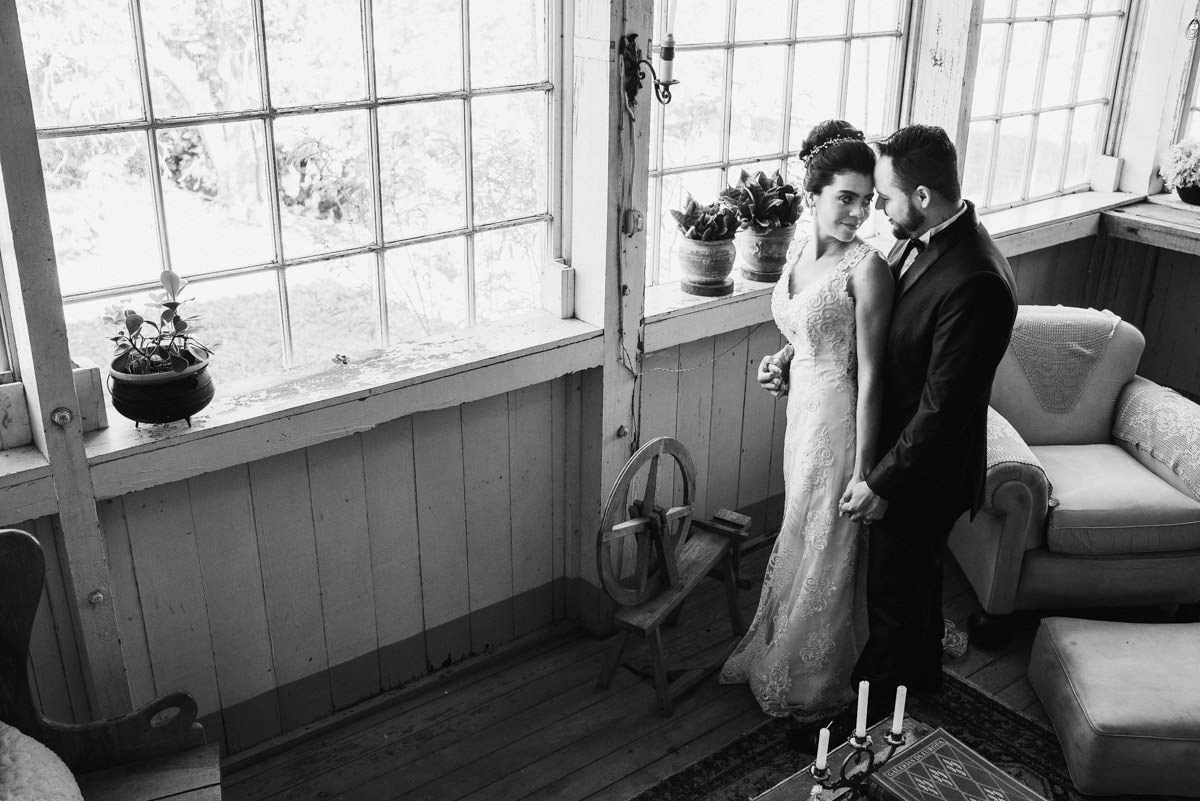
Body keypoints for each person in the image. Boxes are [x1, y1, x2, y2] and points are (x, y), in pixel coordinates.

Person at [839, 124, 1017, 719]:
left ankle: (863, 723)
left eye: (886, 197)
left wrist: (881, 481)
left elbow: (944, 410)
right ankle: (922, 680)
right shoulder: (920, 239)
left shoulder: (977, 279)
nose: (878, 211)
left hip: (924, 470)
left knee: (892, 594)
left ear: (922, 196)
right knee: (915, 584)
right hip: (908, 452)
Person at [720, 120, 894, 720]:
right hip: (801, 418)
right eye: (846, 198)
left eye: (867, 201)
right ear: (812, 194)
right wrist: (781, 361)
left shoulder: (867, 268)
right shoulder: (797, 251)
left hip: (839, 424)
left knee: (828, 539)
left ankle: (812, 670)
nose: (858, 213)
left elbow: (871, 373)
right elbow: (807, 330)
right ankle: (779, 639)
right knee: (798, 528)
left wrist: (867, 471)